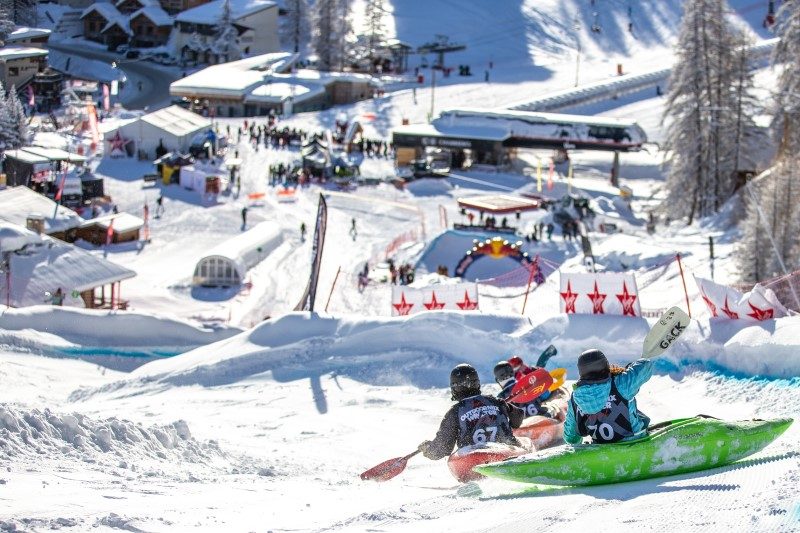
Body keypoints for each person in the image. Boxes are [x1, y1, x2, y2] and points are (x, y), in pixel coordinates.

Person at [418, 364, 524, 460]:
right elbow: (518, 418)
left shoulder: (455, 412)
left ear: (455, 387)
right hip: (507, 453)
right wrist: (507, 409)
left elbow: (442, 449)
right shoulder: (496, 401)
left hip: (473, 458)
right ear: (477, 383)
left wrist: (428, 448)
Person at [563, 349, 653, 445]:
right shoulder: (621, 383)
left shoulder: (576, 397)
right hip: (634, 442)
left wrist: (577, 449)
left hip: (600, 449)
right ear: (606, 365)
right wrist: (628, 369)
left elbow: (571, 438)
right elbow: (646, 365)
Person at [494, 361, 559, 420]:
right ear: (513, 373)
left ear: (498, 380)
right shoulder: (529, 385)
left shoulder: (500, 398)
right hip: (541, 419)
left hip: (520, 427)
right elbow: (546, 394)